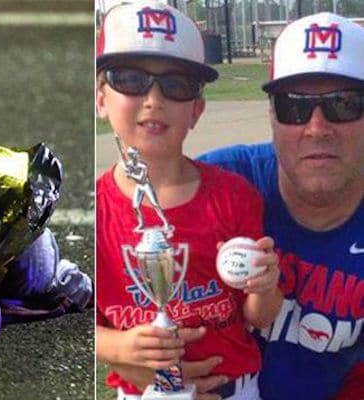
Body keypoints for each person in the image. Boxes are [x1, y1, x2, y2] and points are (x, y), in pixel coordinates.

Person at [94, 1, 283, 399]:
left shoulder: (234, 196)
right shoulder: (94, 210)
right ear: (100, 97)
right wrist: (121, 347)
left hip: (233, 390)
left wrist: (265, 286)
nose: (153, 98)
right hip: (140, 392)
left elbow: (257, 317)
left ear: (197, 109)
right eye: (129, 78)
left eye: (176, 84)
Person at [197, 12, 363, 400]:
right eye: (294, 106)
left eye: (344, 104)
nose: (318, 127)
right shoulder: (212, 187)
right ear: (271, 115)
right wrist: (139, 364)